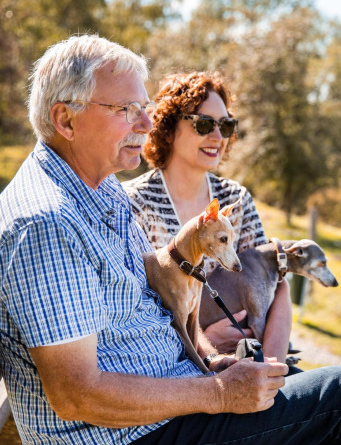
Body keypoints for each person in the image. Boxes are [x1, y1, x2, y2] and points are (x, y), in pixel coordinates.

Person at [0, 34, 341, 445]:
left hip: (171, 403)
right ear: (65, 119)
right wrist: (218, 392)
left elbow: (158, 302)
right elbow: (77, 395)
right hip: (132, 435)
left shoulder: (100, 190)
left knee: (333, 396)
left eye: (144, 108)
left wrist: (212, 360)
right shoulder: (45, 225)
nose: (146, 123)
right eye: (126, 109)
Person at [122, 71, 293, 368]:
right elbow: (136, 312)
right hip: (179, 372)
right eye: (204, 124)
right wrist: (207, 343)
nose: (218, 137)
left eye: (226, 125)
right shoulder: (134, 203)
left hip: (254, 365)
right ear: (168, 127)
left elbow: (276, 283)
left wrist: (272, 370)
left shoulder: (235, 200)